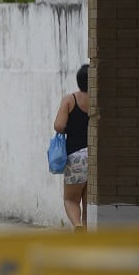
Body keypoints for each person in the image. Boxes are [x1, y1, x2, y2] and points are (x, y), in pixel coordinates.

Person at [53, 64, 89, 229]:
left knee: (70, 199)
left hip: (75, 157)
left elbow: (59, 126)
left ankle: (78, 225)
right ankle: (88, 235)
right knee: (90, 202)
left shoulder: (70, 100)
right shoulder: (98, 100)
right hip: (94, 157)